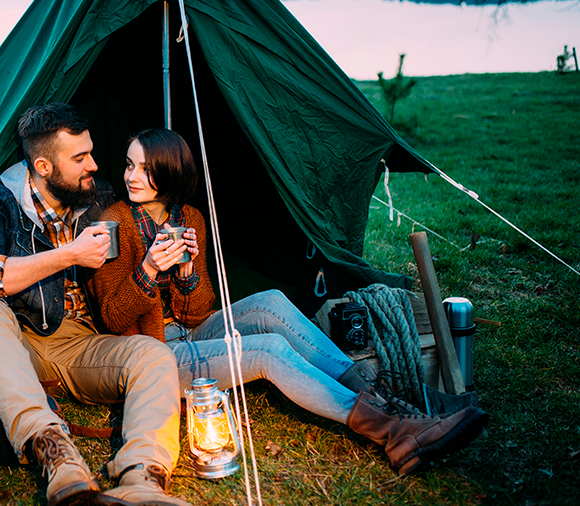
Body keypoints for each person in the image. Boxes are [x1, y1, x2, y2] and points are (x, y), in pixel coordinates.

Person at [87, 128, 489, 476]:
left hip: (191, 333)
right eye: (128, 165)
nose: (131, 176)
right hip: (152, 356)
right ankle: (392, 429)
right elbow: (111, 317)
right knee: (268, 350)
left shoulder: (188, 217)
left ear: (170, 171)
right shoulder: (113, 221)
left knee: (271, 302)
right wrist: (149, 269)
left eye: (144, 168)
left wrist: (189, 273)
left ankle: (391, 398)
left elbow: (197, 312)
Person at [0, 104, 198, 506]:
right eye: (80, 158)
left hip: (82, 344)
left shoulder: (97, 197)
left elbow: (151, 210)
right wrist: (68, 254)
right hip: (17, 342)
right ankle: (56, 456)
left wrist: (173, 250)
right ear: (43, 166)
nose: (95, 165)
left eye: (91, 153)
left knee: (153, 354)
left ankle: (142, 477)